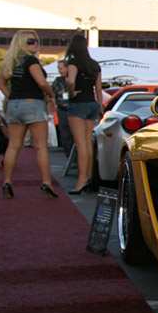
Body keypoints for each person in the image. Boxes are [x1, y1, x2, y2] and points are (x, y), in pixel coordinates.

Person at [0, 30, 59, 198]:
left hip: (15, 105)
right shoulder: (31, 61)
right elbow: (42, 83)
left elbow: (0, 83)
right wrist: (51, 95)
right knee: (40, 146)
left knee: (14, 146)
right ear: (22, 43)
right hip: (33, 103)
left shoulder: (11, 61)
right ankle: (46, 183)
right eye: (30, 41)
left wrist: (12, 96)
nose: (35, 43)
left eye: (36, 40)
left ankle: (7, 181)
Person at [64, 34, 104, 195]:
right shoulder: (94, 65)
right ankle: (88, 178)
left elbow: (70, 81)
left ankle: (80, 181)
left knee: (80, 144)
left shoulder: (73, 62)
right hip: (92, 104)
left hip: (78, 103)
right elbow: (99, 88)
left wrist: (71, 93)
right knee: (88, 144)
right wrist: (100, 107)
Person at [51, 58, 74, 157]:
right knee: (65, 135)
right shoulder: (58, 81)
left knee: (75, 136)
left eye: (61, 68)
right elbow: (52, 94)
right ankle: (69, 157)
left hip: (74, 110)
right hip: (62, 110)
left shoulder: (74, 79)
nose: (60, 71)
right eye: (58, 69)